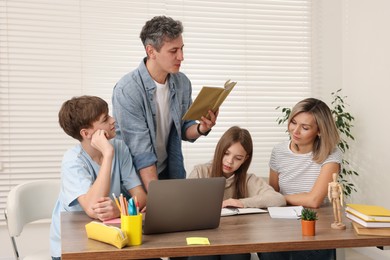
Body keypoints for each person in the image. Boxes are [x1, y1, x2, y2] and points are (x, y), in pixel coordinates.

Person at [112, 16, 217, 191]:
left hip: (168, 171)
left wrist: (201, 128)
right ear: (151, 51)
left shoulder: (182, 83)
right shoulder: (127, 90)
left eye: (182, 49)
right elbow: (141, 152)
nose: (181, 57)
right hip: (134, 181)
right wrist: (158, 195)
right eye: (173, 51)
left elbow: (183, 128)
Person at [50, 96, 147, 260]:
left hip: (109, 238)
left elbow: (142, 197)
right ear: (86, 133)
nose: (113, 120)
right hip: (73, 246)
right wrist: (107, 154)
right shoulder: (73, 161)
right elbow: (93, 208)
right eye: (105, 119)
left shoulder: (120, 147)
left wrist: (118, 210)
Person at [258, 98, 342, 260]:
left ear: (319, 130)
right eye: (293, 122)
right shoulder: (278, 151)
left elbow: (314, 200)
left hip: (316, 224)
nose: (295, 131)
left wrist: (279, 199)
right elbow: (272, 192)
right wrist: (274, 199)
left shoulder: (331, 154)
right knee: (269, 253)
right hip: (281, 223)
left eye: (305, 127)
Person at [188, 126, 286, 260]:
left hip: (234, 239)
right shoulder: (200, 172)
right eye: (226, 153)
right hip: (203, 237)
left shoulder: (248, 180)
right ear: (219, 150)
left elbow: (278, 199)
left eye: (238, 158)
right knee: (202, 256)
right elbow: (185, 205)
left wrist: (240, 202)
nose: (229, 161)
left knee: (236, 255)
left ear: (245, 159)